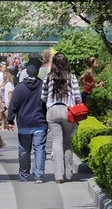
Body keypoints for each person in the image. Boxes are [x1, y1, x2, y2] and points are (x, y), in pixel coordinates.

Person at [43, 51, 83, 183]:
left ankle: (58, 176)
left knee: (56, 142)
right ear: (66, 63)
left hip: (53, 110)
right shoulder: (72, 77)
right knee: (67, 141)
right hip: (68, 111)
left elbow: (43, 96)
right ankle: (68, 174)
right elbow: (78, 97)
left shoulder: (49, 77)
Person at [7, 55, 47, 182]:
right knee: (39, 149)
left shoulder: (19, 88)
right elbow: (46, 103)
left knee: (24, 150)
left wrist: (10, 119)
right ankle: (39, 175)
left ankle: (24, 175)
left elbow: (13, 104)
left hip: (24, 123)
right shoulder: (42, 86)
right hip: (40, 122)